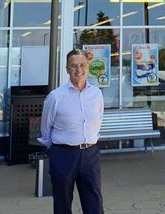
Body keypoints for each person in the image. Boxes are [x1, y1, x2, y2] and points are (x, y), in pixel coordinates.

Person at [39, 49, 105, 214]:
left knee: (94, 203)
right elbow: (46, 128)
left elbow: (99, 120)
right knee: (63, 203)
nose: (78, 70)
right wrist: (55, 150)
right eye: (73, 66)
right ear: (67, 69)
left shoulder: (96, 94)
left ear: (87, 67)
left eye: (82, 65)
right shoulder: (56, 97)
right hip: (63, 155)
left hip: (90, 155)